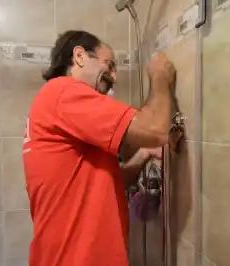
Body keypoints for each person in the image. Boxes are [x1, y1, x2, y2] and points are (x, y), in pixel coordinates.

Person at [22, 30, 176, 266]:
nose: (114, 76)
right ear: (80, 56)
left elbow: (106, 183)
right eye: (109, 64)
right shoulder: (65, 93)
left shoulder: (59, 105)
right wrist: (159, 78)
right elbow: (156, 130)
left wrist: (143, 155)